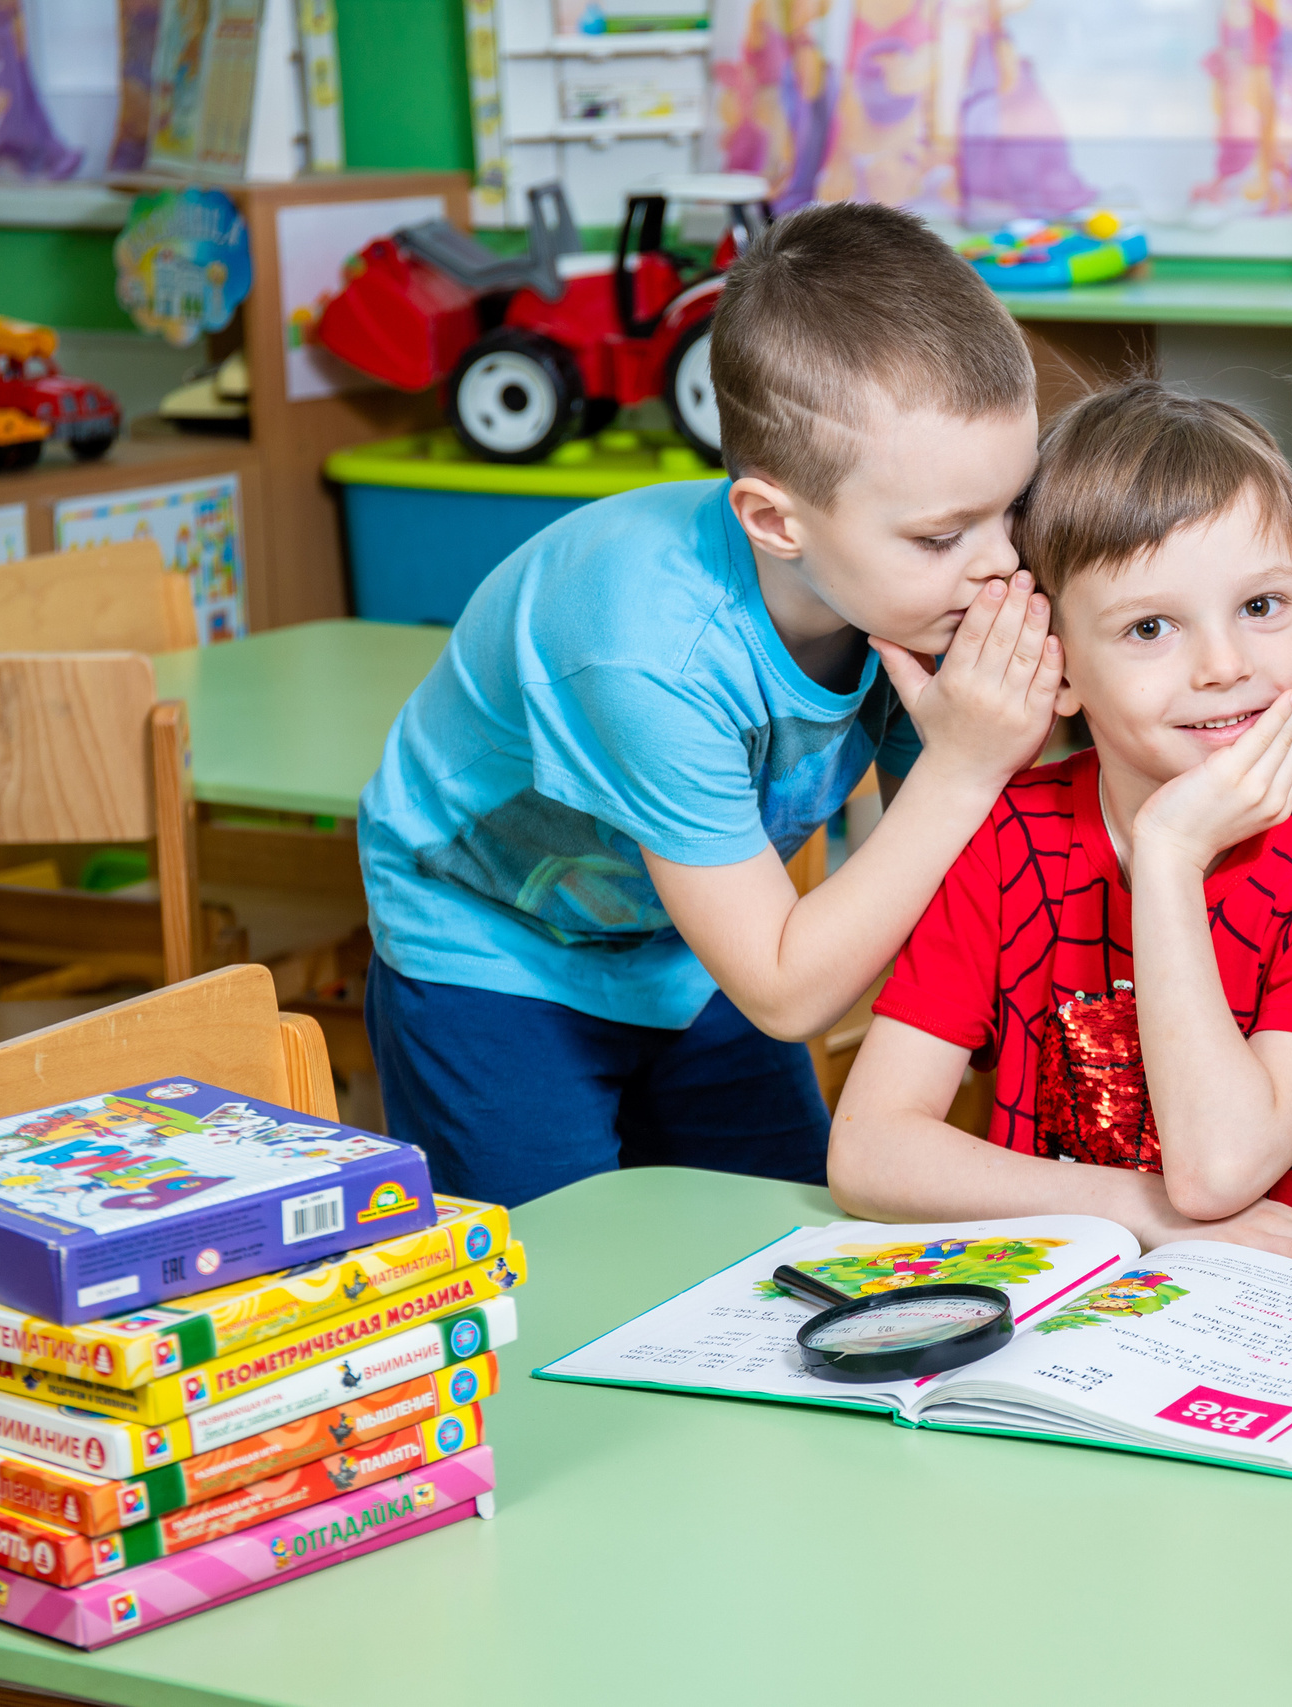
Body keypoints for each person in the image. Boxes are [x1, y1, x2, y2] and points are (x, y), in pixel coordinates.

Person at [359, 202, 1063, 1206]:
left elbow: (963, 867)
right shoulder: (647, 651)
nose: (999, 565)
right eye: (942, 535)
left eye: (1013, 508)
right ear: (775, 520)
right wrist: (963, 763)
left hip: (700, 940)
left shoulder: (916, 594)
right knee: (552, 1267)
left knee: (781, 1245)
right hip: (493, 946)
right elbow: (787, 992)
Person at [828, 381, 1292, 1277]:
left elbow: (1217, 1172)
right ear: (1058, 665)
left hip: (1283, 1320)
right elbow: (867, 1149)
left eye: (1260, 606)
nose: (1224, 665)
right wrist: (1134, 1213)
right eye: (1150, 626)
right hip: (1050, 1301)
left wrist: (1169, 853)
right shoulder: (1002, 838)